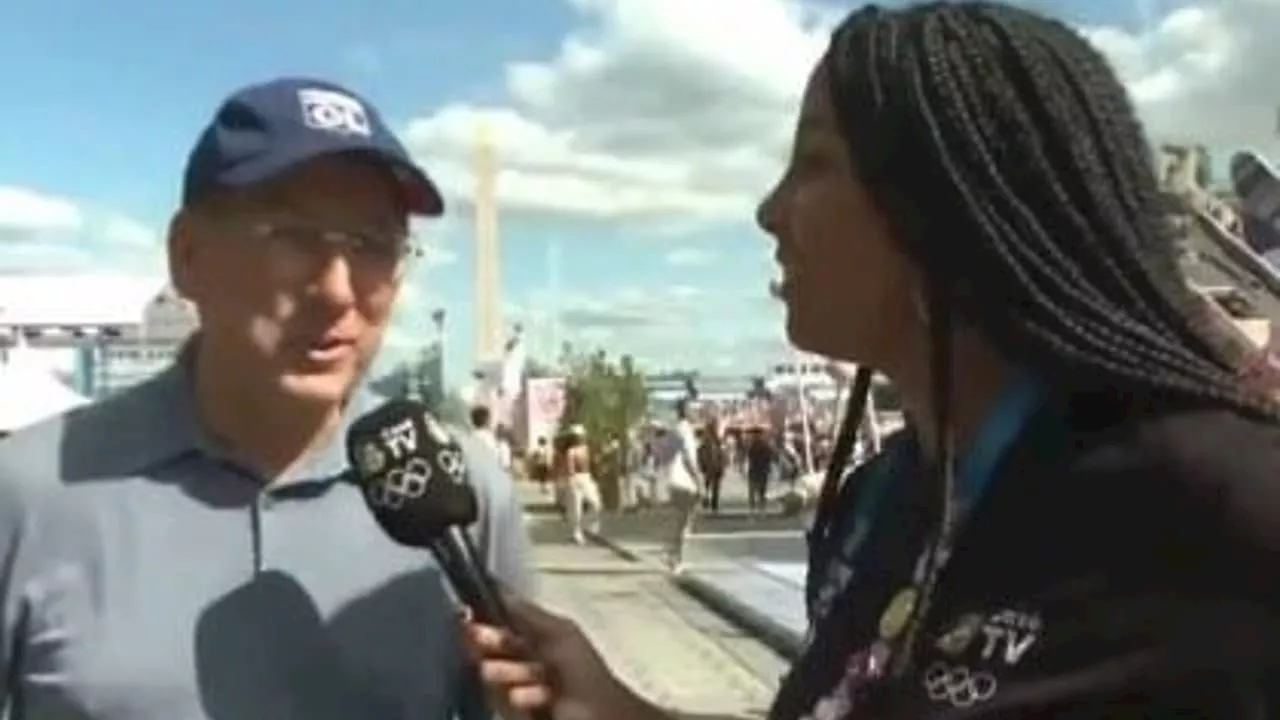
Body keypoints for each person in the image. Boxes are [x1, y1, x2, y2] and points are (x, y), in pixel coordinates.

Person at [461, 3, 1280, 719]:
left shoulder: (1217, 504)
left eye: (813, 164)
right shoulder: (882, 497)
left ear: (947, 211)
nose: (769, 211)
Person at [0, 77, 535, 719]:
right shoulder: (27, 495)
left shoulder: (463, 492)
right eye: (292, 234)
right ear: (188, 255)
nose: (338, 289)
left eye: (373, 245)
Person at [660, 398, 703, 572]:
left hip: (676, 480)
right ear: (685, 411)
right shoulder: (684, 430)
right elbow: (688, 458)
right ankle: (675, 557)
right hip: (683, 481)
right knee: (684, 521)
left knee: (682, 521)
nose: (697, 413)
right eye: (693, 409)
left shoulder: (677, 429)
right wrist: (699, 480)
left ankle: (675, 555)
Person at [561, 424, 602, 545]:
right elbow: (570, 468)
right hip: (575, 478)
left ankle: (586, 525)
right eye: (577, 436)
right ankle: (576, 533)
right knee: (575, 508)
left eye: (580, 436)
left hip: (587, 477)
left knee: (596, 504)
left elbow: (594, 463)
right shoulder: (571, 451)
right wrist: (570, 479)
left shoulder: (587, 449)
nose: (579, 438)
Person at [696, 419, 727, 513]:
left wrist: (722, 463)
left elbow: (721, 453)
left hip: (716, 466)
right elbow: (701, 453)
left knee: (713, 486)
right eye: (713, 427)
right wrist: (702, 465)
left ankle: (713, 503)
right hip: (710, 466)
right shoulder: (706, 441)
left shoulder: (717, 440)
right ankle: (707, 502)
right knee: (708, 485)